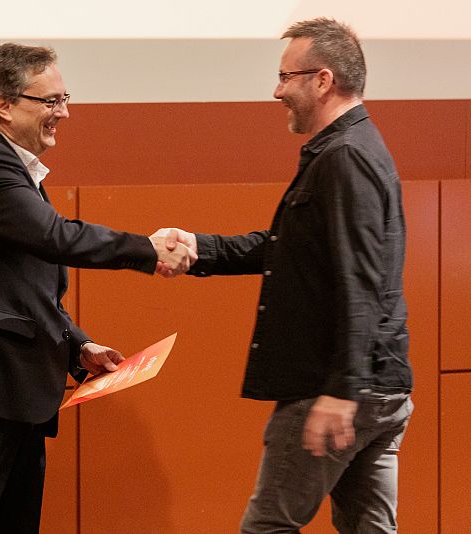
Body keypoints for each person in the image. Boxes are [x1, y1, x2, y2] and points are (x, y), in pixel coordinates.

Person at [0, 43, 195, 533]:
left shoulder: (21, 174)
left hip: (15, 390)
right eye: (49, 101)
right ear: (2, 103)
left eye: (65, 98)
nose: (63, 112)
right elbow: (56, 238)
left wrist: (78, 346)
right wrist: (147, 249)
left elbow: (26, 289)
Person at [156, 18, 413, 533]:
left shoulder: (345, 159)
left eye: (286, 76)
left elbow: (360, 282)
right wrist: (199, 247)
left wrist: (341, 391)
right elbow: (287, 248)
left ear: (322, 80)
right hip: (377, 388)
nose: (277, 91)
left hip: (334, 389)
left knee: (268, 527)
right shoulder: (351, 149)